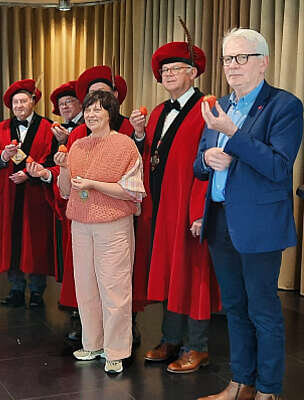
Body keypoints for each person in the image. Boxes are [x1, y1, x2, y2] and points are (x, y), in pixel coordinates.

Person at [194, 28, 302, 400]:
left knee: (263, 311)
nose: (232, 66)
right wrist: (206, 160)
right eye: (227, 59)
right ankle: (240, 384)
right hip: (220, 220)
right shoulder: (219, 104)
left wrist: (232, 133)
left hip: (259, 227)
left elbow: (278, 166)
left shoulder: (284, 106)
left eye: (242, 58)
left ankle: (268, 391)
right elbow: (199, 162)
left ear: (264, 62)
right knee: (234, 309)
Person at [130, 41, 221, 374]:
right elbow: (151, 157)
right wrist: (140, 135)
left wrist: (199, 210)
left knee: (194, 275)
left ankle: (197, 347)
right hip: (161, 206)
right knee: (172, 272)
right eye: (164, 70)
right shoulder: (157, 112)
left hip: (190, 207)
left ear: (193, 73)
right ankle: (170, 338)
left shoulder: (208, 109)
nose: (167, 74)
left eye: (174, 69)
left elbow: (209, 163)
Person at [54, 90, 145, 375]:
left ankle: (117, 350)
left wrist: (95, 184)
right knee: (86, 286)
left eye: (99, 110)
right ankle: (92, 343)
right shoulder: (77, 145)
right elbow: (67, 191)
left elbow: (133, 191)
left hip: (113, 225)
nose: (92, 115)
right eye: (89, 110)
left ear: (110, 114)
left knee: (114, 288)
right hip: (80, 224)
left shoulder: (125, 145)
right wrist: (63, 168)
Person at [0, 79, 57, 309]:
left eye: (23, 100)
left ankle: (37, 291)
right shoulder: (1, 129)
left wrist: (30, 175)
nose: (19, 105)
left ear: (33, 101)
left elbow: (50, 159)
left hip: (35, 193)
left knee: (35, 241)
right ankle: (16, 288)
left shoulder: (48, 127)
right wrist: (3, 156)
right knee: (12, 240)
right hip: (10, 191)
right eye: (15, 102)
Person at [48, 80, 83, 341]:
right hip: (68, 199)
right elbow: (57, 164)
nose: (65, 107)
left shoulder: (84, 130)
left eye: (69, 102)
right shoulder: (61, 131)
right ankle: (76, 312)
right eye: (61, 105)